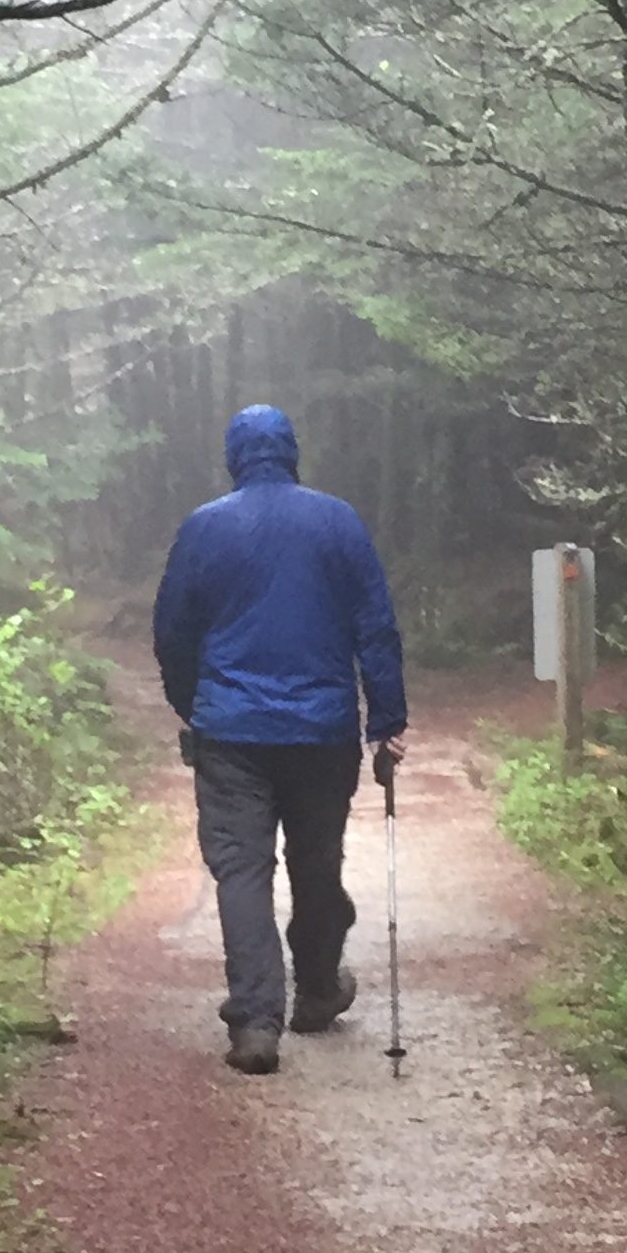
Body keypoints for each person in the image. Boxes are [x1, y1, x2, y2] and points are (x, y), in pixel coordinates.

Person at [152, 403, 409, 1074]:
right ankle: (318, 990)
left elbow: (173, 632)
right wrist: (386, 720)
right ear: (292, 452)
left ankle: (256, 1024)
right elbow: (375, 626)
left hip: (231, 733)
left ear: (233, 457)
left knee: (242, 870)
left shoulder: (204, 528)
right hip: (322, 732)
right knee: (316, 862)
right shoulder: (338, 521)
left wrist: (194, 705)